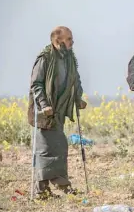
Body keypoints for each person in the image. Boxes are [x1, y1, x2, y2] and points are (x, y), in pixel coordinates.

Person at [27, 26, 87, 200]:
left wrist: (78, 98)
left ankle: (53, 186)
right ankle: (47, 189)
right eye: (69, 39)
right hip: (43, 112)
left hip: (59, 109)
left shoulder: (69, 58)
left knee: (58, 146)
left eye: (72, 39)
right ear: (57, 41)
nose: (72, 43)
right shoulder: (45, 58)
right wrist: (44, 104)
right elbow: (36, 84)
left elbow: (76, 80)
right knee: (45, 149)